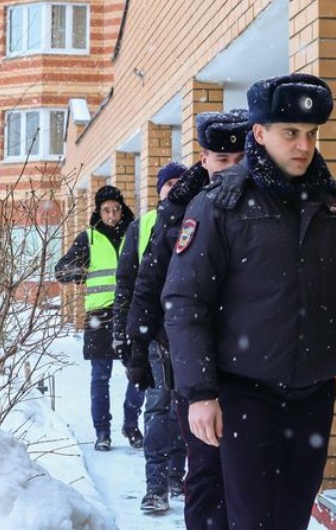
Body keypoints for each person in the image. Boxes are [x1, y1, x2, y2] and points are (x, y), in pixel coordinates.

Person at [162, 74, 336, 530]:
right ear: (259, 134)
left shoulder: (335, 209)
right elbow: (186, 302)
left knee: (291, 518)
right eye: (290, 133)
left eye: (310, 134)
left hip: (314, 395)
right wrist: (200, 393)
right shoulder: (220, 204)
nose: (303, 145)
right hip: (244, 394)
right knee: (253, 521)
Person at [126, 109, 248, 521]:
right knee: (206, 467)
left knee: (244, 474)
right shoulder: (180, 207)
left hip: (249, 357)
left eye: (238, 160)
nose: (230, 169)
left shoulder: (261, 202)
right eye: (221, 160)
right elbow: (150, 276)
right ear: (204, 158)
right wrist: (137, 344)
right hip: (189, 354)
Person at [113, 160, 189, 515]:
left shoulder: (202, 217)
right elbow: (128, 284)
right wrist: (124, 335)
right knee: (159, 406)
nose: (174, 187)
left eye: (180, 181)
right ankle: (156, 486)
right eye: (168, 182)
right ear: (158, 188)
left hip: (192, 333)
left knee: (185, 408)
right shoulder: (142, 226)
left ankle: (178, 475)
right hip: (156, 333)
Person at [55, 185, 142, 452]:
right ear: (99, 211)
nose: (112, 215)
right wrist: (79, 272)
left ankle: (131, 424)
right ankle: (102, 432)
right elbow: (62, 271)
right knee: (100, 376)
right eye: (106, 210)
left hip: (131, 312)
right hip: (99, 317)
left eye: (116, 209)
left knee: (139, 374)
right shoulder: (88, 239)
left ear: (122, 209)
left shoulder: (135, 234)